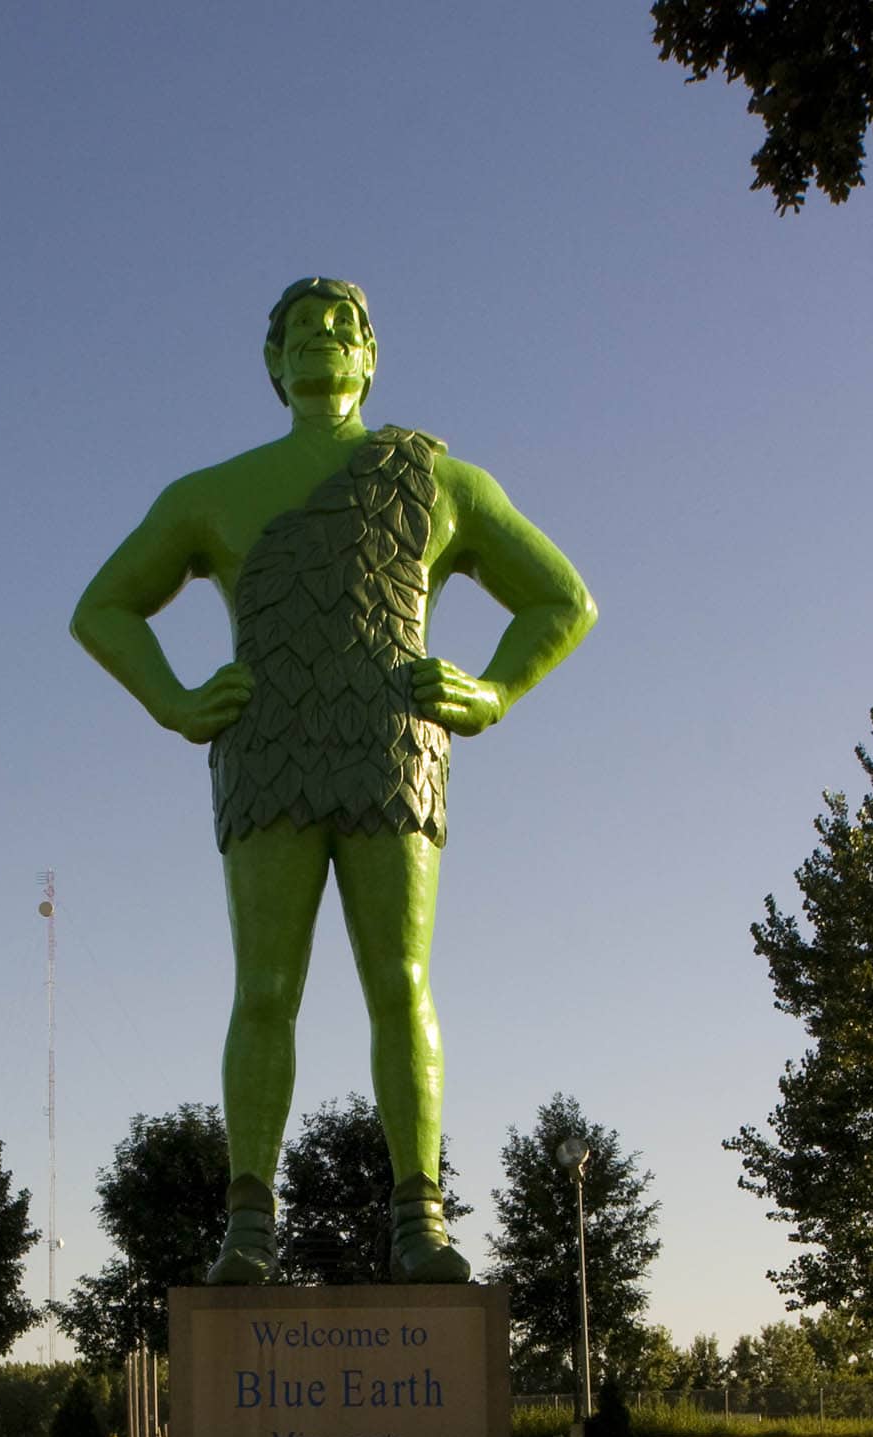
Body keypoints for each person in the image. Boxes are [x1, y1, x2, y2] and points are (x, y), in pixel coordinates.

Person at [71, 277, 596, 1286]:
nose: (320, 339)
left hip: (391, 749)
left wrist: (490, 694)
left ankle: (419, 1218)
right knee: (264, 987)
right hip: (265, 750)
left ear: (369, 358)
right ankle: (246, 1225)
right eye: (298, 330)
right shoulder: (207, 493)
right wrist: (175, 702)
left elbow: (561, 600)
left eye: (340, 327)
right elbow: (104, 608)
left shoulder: (440, 482)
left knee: (398, 983)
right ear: (271, 365)